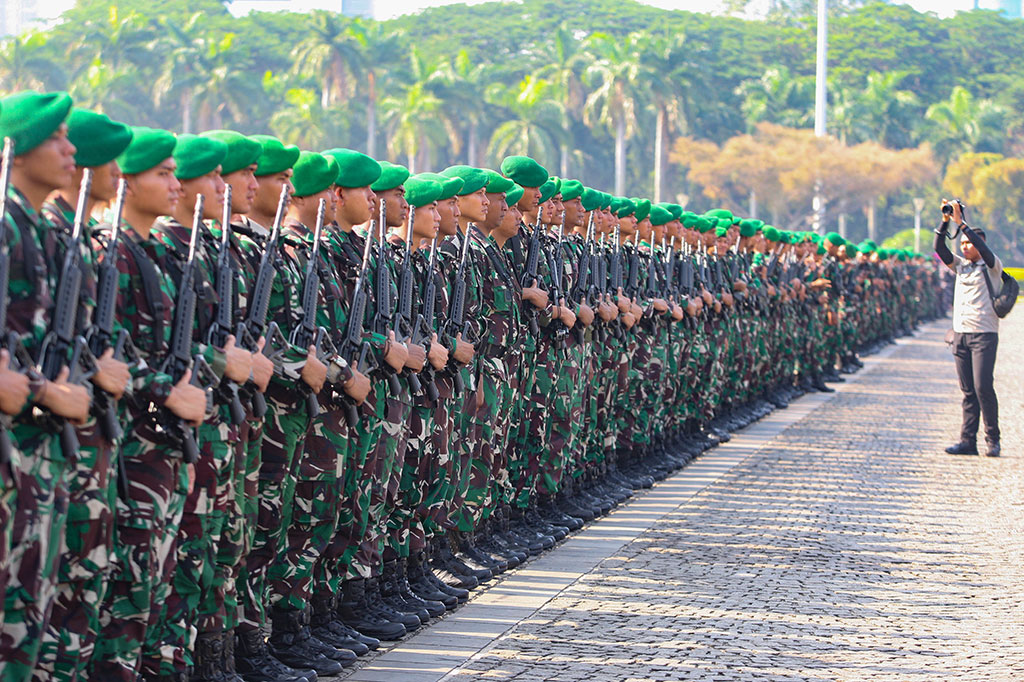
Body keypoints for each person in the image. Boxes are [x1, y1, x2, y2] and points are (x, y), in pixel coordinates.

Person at [934, 200, 1002, 458]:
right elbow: (939, 247)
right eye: (962, 243)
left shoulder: (993, 266)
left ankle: (992, 439)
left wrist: (962, 223)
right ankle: (967, 441)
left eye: (969, 242)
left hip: (984, 333)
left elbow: (984, 250)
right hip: (960, 334)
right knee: (968, 391)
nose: (965, 246)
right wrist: (945, 221)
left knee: (983, 386)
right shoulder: (960, 266)